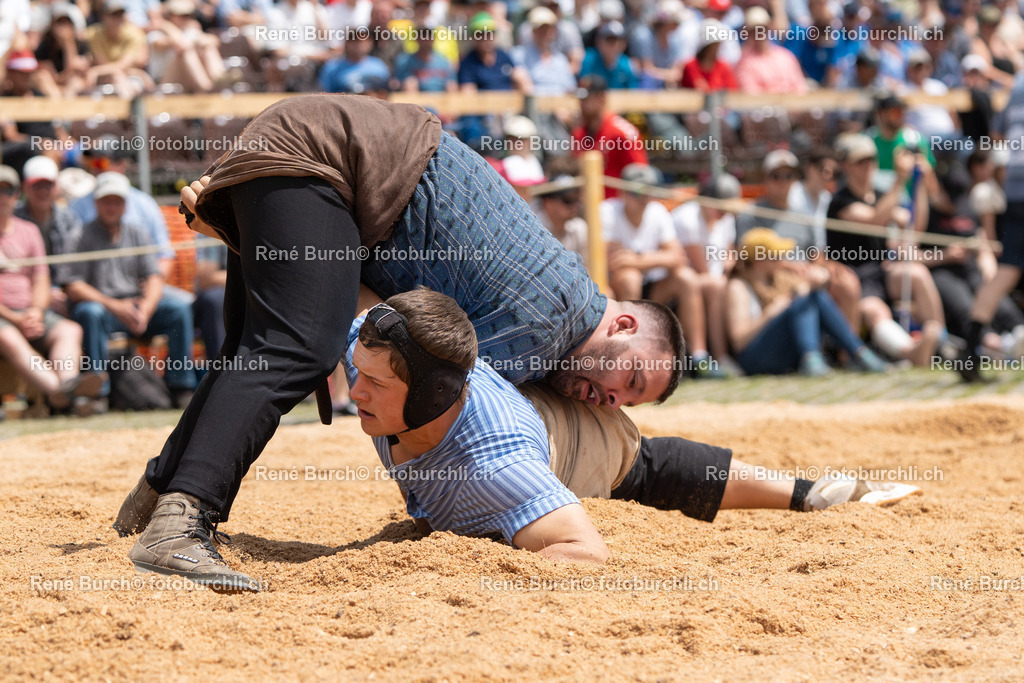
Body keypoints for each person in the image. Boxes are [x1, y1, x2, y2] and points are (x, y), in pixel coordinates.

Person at [112, 94, 686, 589]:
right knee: (298, 347)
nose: (610, 400)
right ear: (625, 326)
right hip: (325, 159)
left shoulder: (557, 298)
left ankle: (156, 499)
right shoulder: (548, 325)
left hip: (313, 158)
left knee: (256, 350)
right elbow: (411, 366)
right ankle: (181, 526)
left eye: (626, 404)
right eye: (630, 379)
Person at [123, 286, 919, 585]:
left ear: (426, 393)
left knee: (644, 465)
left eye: (371, 382)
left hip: (569, 447)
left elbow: (585, 552)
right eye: (353, 371)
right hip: (496, 414)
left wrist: (463, 555)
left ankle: (815, 494)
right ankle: (819, 490)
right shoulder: (374, 336)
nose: (349, 389)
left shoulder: (497, 467)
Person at [65, 172, 198, 405]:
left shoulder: (138, 233)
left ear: (125, 204)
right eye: (106, 201)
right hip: (105, 309)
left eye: (117, 201)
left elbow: (154, 276)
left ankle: (181, 385)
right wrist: (115, 306)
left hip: (135, 306)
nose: (111, 207)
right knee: (90, 312)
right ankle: (99, 391)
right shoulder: (79, 235)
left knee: (179, 309)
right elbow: (73, 286)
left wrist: (145, 308)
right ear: (96, 203)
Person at [827, 132, 945, 368]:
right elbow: (873, 219)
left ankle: (940, 340)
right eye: (860, 161)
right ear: (846, 165)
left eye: (870, 159)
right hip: (854, 276)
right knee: (874, 310)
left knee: (917, 273)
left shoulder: (882, 196)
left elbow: (913, 227)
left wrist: (918, 182)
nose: (868, 166)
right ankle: (912, 352)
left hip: (881, 271)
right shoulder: (841, 201)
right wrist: (900, 182)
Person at [0, 164, 103, 414]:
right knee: (9, 338)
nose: (2, 197)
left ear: (16, 194)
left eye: (7, 190)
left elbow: (41, 278)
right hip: (5, 318)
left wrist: (35, 310)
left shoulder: (29, 230)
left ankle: (66, 387)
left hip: (30, 311)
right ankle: (64, 393)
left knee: (70, 330)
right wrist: (14, 317)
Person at [603, 163, 720, 376]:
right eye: (636, 191)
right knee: (630, 278)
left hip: (652, 287)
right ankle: (630, 355)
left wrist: (637, 258)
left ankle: (699, 357)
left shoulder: (656, 212)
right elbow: (614, 262)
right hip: (618, 293)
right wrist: (657, 258)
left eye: (647, 191)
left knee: (687, 279)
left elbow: (677, 258)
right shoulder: (608, 211)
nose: (642, 198)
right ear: (622, 191)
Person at [726, 228, 887, 376]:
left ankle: (852, 352)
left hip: (781, 354)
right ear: (758, 259)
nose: (782, 259)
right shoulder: (739, 287)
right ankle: (849, 353)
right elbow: (739, 341)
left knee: (813, 296)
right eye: (775, 255)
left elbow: (808, 290)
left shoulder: (780, 279)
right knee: (803, 300)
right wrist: (770, 313)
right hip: (754, 359)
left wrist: (819, 278)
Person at [959, 73, 1024, 381]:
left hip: (1015, 191)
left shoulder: (1018, 82)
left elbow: (997, 134)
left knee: (1007, 272)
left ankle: (969, 353)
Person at [672, 173, 741, 370]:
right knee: (717, 285)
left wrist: (730, 271)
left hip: (712, 279)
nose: (725, 212)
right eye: (720, 206)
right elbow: (700, 267)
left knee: (727, 285)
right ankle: (717, 357)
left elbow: (729, 255)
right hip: (686, 280)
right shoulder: (687, 218)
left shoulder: (725, 218)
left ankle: (730, 355)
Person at [571, 75, 648, 198]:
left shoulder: (622, 133)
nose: (582, 104)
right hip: (583, 205)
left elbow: (641, 176)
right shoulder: (578, 133)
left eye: (587, 99)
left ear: (602, 98)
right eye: (580, 100)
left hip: (617, 208)